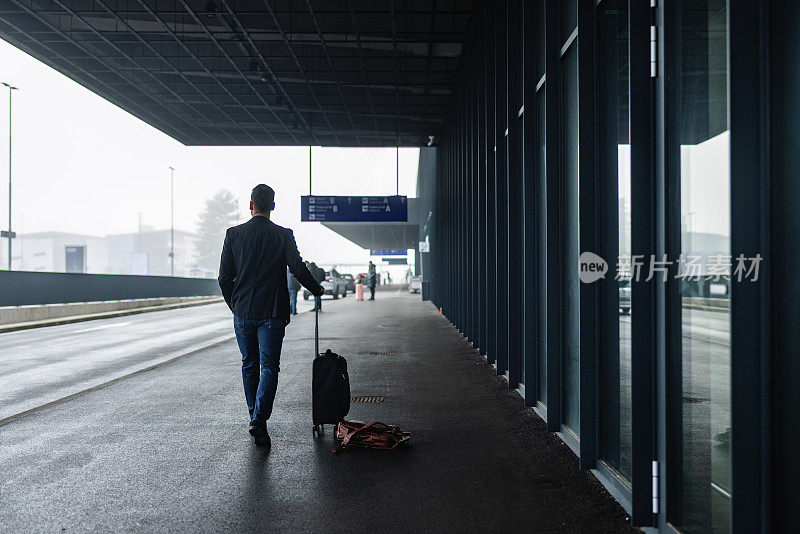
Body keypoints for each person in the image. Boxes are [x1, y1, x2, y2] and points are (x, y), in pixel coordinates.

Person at [218, 184, 324, 448]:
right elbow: (298, 268)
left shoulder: (234, 234)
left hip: (243, 311)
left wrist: (235, 304)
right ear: (273, 206)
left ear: (250, 205)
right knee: (269, 367)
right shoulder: (283, 235)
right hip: (273, 312)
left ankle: (254, 416)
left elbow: (223, 278)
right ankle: (259, 419)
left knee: (249, 364)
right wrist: (316, 289)